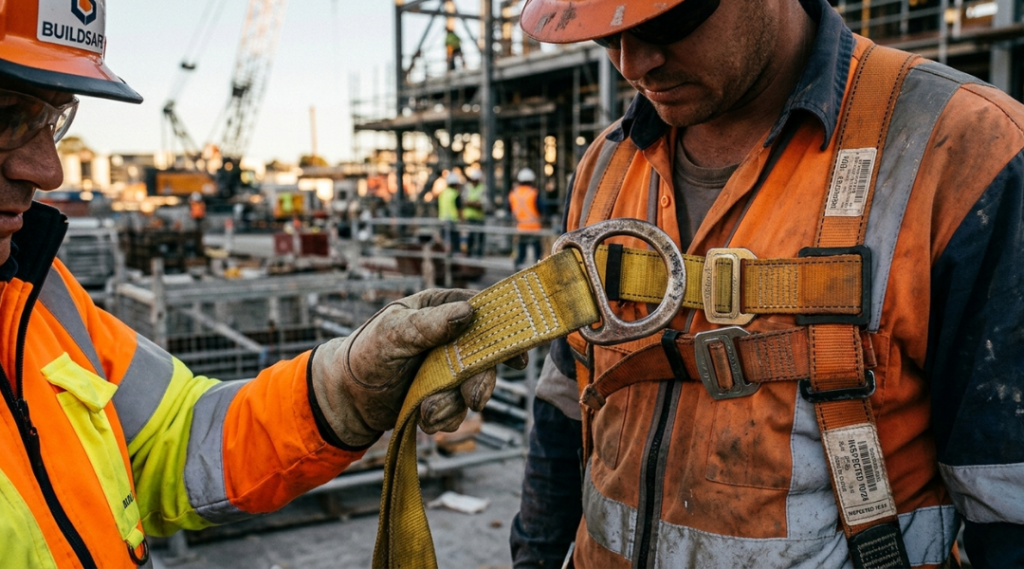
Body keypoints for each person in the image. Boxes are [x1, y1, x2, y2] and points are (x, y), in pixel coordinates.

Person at [511, 0, 1024, 568]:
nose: (634, 64)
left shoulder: (964, 149)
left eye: (664, 23)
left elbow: (1008, 500)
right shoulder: (607, 164)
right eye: (605, 38)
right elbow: (564, 405)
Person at [0, 2, 512, 566]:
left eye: (53, 120)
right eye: (7, 118)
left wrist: (343, 390)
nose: (50, 170)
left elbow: (174, 437)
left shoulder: (37, 296)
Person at [509, 168, 543, 270]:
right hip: (534, 227)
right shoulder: (534, 193)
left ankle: (519, 269)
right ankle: (540, 269)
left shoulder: (513, 194)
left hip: (520, 227)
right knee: (537, 252)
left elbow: (509, 209)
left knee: (521, 249)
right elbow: (541, 208)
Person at [462, 169, 487, 257]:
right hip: (470, 217)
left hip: (479, 217)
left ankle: (479, 254)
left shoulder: (482, 188)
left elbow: (481, 204)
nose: (474, 182)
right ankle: (469, 253)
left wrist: (471, 203)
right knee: (470, 237)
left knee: (480, 237)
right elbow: (464, 201)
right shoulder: (467, 188)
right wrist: (474, 203)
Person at [438, 171, 464, 254]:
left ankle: (446, 256)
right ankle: (455, 257)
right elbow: (459, 208)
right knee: (454, 241)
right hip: (452, 221)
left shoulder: (442, 193)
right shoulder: (455, 194)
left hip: (442, 220)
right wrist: (462, 219)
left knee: (445, 241)